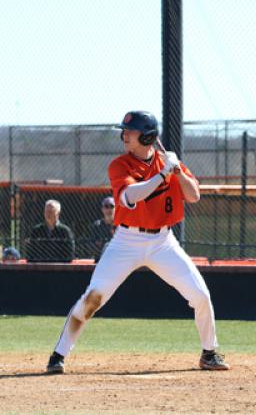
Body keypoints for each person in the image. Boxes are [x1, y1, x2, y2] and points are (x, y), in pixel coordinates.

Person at [46, 110, 229, 374]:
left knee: (200, 294)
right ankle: (58, 354)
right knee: (93, 297)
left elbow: (194, 196)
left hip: (163, 242)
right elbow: (131, 195)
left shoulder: (167, 163)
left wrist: (177, 172)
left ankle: (209, 353)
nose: (124, 135)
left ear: (147, 137)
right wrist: (161, 175)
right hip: (126, 241)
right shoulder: (120, 165)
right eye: (125, 131)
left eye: (130, 132)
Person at [88, 196, 116, 262]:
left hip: (117, 260)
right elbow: (91, 247)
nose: (109, 209)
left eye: (111, 206)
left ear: (116, 208)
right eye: (106, 206)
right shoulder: (97, 225)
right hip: (100, 260)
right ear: (102, 209)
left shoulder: (121, 226)